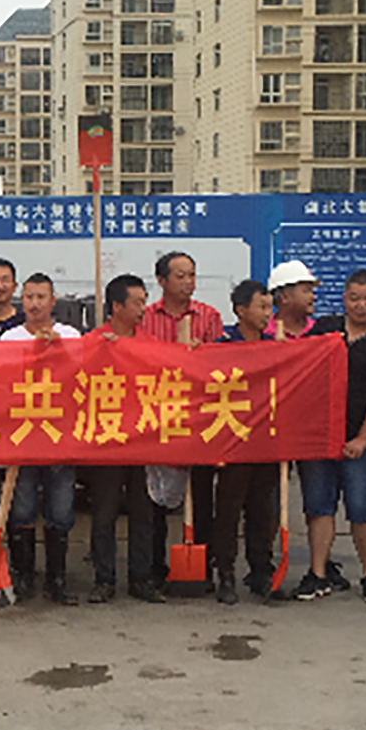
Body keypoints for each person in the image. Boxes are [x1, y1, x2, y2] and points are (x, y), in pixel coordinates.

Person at [296, 270, 366, 604]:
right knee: (319, 507)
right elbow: (298, 362)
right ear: (344, 299)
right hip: (318, 438)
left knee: (360, 509)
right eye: (354, 298)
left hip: (360, 443)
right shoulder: (327, 329)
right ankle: (318, 574)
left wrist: (362, 439)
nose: (361, 305)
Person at [143, 251, 225, 590]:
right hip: (158, 417)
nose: (188, 282)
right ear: (161, 280)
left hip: (201, 419)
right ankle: (154, 567)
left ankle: (203, 567)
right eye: (180, 276)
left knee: (202, 495)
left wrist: (200, 357)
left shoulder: (209, 316)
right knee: (155, 497)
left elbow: (223, 367)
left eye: (192, 275)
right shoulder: (146, 319)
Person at [0, 274, 79, 602]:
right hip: (23, 436)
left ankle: (57, 579)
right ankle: (24, 576)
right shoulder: (10, 338)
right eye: (29, 297)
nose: (34, 303)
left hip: (60, 437)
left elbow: (79, 378)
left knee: (60, 510)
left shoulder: (70, 335)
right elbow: (3, 382)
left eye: (41, 297)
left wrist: (57, 349)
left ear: (53, 301)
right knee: (22, 509)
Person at [85, 275, 162, 604]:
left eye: (144, 301)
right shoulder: (92, 342)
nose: (143, 308)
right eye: (137, 302)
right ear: (117, 306)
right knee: (104, 514)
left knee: (143, 514)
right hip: (107, 441)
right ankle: (104, 579)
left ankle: (140, 578)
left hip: (142, 441)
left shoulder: (150, 343)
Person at [211, 281, 279, 604]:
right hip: (233, 441)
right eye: (261, 307)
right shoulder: (222, 346)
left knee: (262, 510)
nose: (268, 313)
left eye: (269, 307)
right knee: (228, 511)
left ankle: (261, 572)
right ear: (241, 310)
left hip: (266, 441)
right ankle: (225, 573)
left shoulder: (276, 347)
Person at [267, 260, 317, 339]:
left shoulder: (319, 332)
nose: (313, 297)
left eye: (312, 291)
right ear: (284, 297)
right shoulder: (262, 334)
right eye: (306, 291)